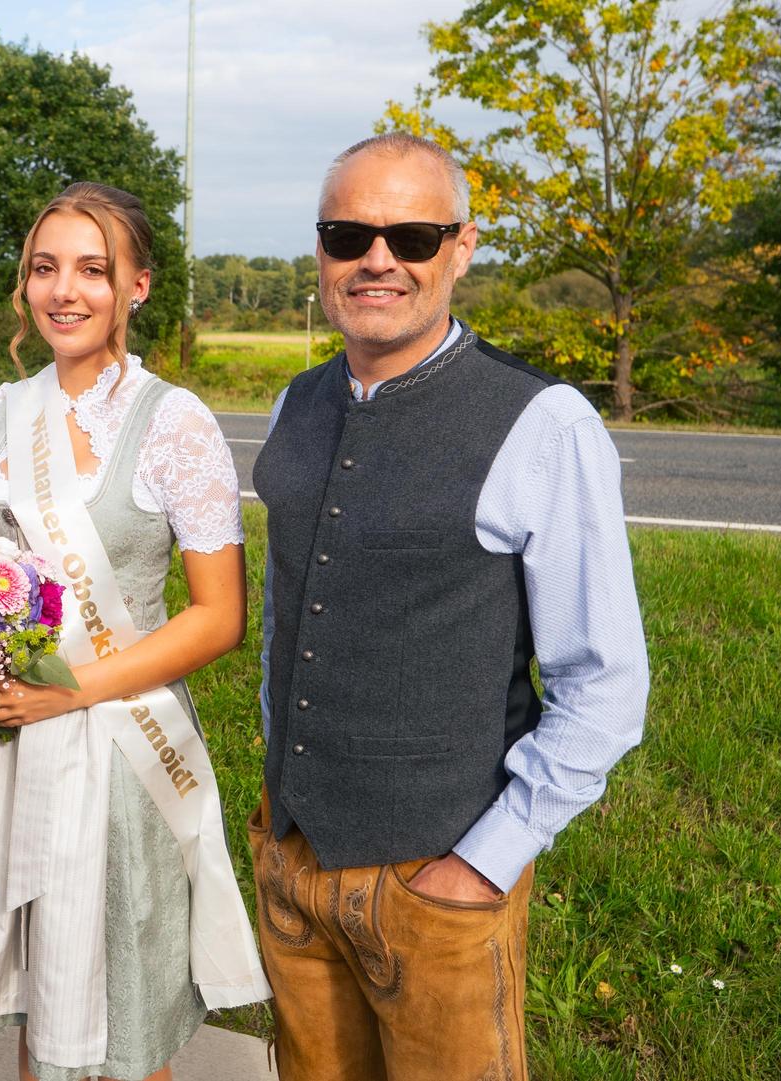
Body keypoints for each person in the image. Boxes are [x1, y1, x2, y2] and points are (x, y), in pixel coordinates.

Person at [249, 132, 651, 1080]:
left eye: (413, 236)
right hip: (294, 860)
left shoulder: (543, 422)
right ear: (321, 252)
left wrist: (484, 861)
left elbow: (605, 682)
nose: (377, 258)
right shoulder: (293, 404)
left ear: (461, 248)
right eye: (348, 234)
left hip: (441, 878)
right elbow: (289, 613)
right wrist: (276, 808)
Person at [0, 181, 268, 1081]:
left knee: (123, 1015)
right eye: (45, 268)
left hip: (119, 745)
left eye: (93, 269)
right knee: (46, 1007)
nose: (64, 291)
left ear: (138, 286)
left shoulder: (176, 423)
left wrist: (65, 690)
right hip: (9, 742)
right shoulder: (0, 411)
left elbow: (220, 616)